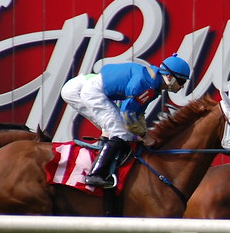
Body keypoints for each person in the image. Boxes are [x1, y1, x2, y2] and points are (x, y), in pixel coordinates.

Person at [60, 54, 191, 188]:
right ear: (169, 77)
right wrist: (144, 136)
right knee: (121, 132)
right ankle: (96, 175)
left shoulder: (153, 82)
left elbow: (138, 113)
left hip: (92, 88)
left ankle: (104, 161)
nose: (182, 86)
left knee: (121, 131)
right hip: (95, 92)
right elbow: (127, 112)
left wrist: (142, 133)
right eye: (181, 81)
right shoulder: (148, 84)